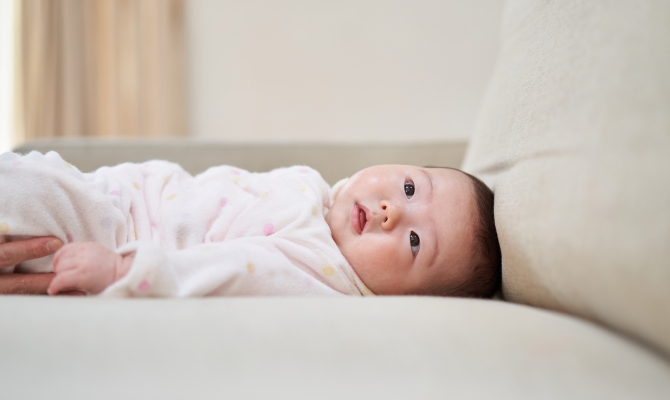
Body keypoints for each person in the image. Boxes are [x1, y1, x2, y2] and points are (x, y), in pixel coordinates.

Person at [0, 150, 501, 298]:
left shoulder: (316, 268)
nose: (394, 211)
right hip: (106, 191)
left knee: (24, 193)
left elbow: (225, 270)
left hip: (108, 234)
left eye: (415, 242)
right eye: (411, 188)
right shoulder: (315, 189)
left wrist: (122, 270)